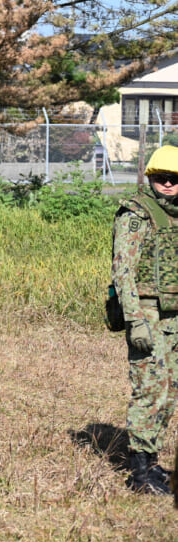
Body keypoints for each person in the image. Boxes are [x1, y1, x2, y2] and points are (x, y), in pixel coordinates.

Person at [112, 144, 178, 495]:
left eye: (175, 179)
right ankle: (139, 474)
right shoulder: (137, 213)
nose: (168, 185)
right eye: (161, 178)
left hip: (174, 316)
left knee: (169, 393)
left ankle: (152, 462)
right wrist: (134, 320)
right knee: (149, 391)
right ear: (150, 178)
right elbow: (122, 271)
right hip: (148, 314)